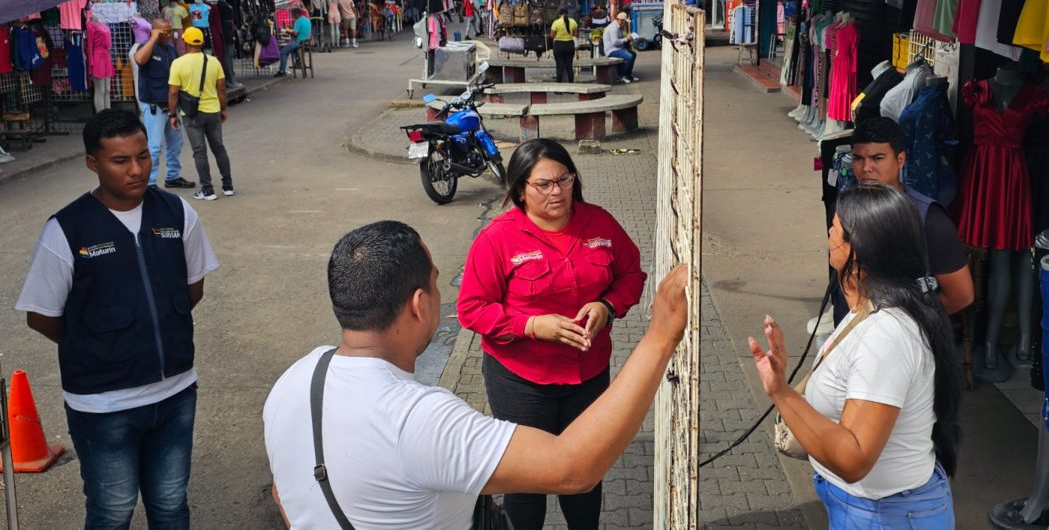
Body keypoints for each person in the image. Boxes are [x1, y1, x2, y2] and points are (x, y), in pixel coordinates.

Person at [263, 220, 687, 529]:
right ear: (418, 304)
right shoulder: (419, 418)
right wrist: (659, 339)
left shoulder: (294, 381)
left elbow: (286, 492)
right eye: (434, 282)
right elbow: (572, 469)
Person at [15, 108, 219, 529]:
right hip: (102, 406)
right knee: (112, 511)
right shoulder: (67, 230)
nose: (137, 170)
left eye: (143, 156)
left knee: (170, 506)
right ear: (94, 163)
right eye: (120, 160)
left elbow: (193, 287)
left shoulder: (178, 214)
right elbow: (42, 315)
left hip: (175, 394)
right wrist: (98, 344)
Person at [455, 139, 647, 530]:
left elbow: (631, 275)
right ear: (520, 189)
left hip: (589, 375)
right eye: (543, 184)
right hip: (522, 382)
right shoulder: (497, 238)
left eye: (564, 179)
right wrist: (530, 326)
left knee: (585, 474)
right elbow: (472, 309)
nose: (556, 191)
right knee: (526, 483)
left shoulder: (600, 223)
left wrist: (607, 307)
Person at [749, 183, 964, 528]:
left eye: (835, 229)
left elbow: (853, 458)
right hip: (867, 509)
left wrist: (781, 392)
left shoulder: (886, 336)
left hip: (884, 516)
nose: (829, 235)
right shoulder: (868, 309)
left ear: (857, 251)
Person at [850, 118, 974, 315]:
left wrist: (906, 324)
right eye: (858, 158)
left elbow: (960, 296)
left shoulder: (929, 220)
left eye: (877, 158)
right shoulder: (847, 210)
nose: (866, 168)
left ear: (900, 160)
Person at [168, 27, 234, 201]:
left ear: (186, 42)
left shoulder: (178, 63)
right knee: (219, 148)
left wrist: (172, 115)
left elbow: (174, 92)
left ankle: (208, 190)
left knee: (199, 152)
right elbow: (221, 88)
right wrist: (223, 108)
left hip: (191, 114)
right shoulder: (213, 61)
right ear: (202, 42)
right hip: (213, 111)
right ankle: (228, 186)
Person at [134, 18, 194, 190]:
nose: (168, 35)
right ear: (154, 31)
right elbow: (139, 60)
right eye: (164, 32)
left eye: (169, 32)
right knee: (154, 147)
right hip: (154, 106)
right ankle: (150, 183)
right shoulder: (145, 47)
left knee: (176, 143)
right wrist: (152, 39)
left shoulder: (170, 48)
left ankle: (173, 176)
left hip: (172, 105)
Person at [274, 7, 311, 77]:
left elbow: (295, 33)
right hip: (306, 41)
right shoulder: (307, 20)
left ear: (296, 14)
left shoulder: (298, 21)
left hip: (299, 42)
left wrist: (287, 31)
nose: (293, 17)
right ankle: (298, 60)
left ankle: (282, 71)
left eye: (293, 15)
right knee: (290, 48)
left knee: (283, 52)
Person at [603, 11, 637, 84]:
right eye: (625, 22)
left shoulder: (619, 27)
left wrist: (628, 37)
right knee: (629, 56)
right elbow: (614, 42)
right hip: (611, 50)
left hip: (617, 49)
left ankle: (628, 74)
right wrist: (626, 39)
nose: (625, 24)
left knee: (633, 54)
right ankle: (621, 75)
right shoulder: (613, 28)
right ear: (621, 20)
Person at [550, 6, 579, 83]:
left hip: (559, 46)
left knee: (560, 67)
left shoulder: (556, 22)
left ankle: (559, 89)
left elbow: (552, 36)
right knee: (569, 67)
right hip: (570, 45)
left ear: (559, 14)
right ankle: (571, 88)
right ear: (567, 13)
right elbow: (575, 34)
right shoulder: (573, 22)